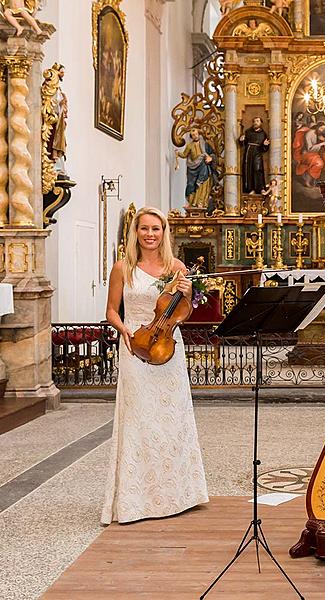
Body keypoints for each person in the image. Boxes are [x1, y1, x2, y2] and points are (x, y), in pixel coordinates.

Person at [101, 207, 209, 524]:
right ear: (136, 232)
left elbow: (182, 314)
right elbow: (111, 310)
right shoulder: (123, 268)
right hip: (135, 345)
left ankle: (178, 495)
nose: (150, 234)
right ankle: (137, 499)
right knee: (138, 419)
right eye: (144, 228)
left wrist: (188, 294)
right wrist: (124, 331)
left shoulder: (176, 268)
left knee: (172, 418)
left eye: (156, 229)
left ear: (164, 233)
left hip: (167, 348)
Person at [239, 116, 270, 194]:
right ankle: (251, 189)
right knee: (248, 170)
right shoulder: (248, 132)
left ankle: (261, 188)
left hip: (257, 153)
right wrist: (241, 140)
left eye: (257, 121)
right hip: (248, 153)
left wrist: (265, 145)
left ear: (261, 123)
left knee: (258, 169)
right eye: (254, 121)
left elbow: (264, 148)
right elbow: (243, 143)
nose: (255, 123)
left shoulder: (263, 134)